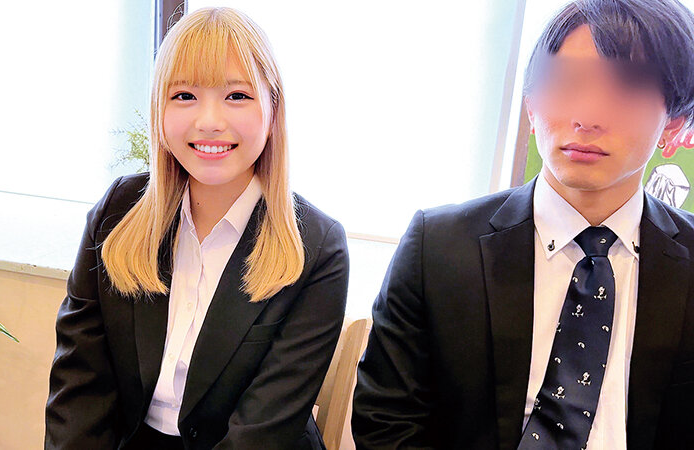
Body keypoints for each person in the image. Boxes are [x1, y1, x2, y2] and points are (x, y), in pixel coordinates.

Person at [352, 0, 694, 448]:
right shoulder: (437, 247)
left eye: (624, 89)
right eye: (566, 82)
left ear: (675, 126)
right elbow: (386, 421)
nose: (587, 115)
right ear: (531, 106)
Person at [45, 7, 349, 449]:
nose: (209, 121)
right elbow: (79, 386)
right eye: (185, 95)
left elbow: (264, 429)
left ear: (273, 108)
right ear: (159, 110)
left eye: (237, 96)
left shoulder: (317, 247)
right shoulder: (118, 212)